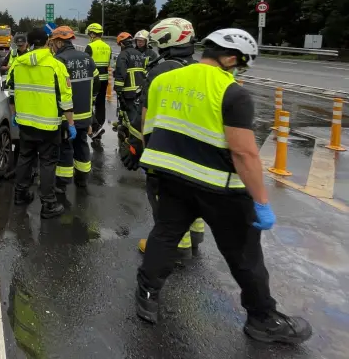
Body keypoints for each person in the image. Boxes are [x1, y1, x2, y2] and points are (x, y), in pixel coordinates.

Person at [135, 27, 313, 344]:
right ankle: (262, 318)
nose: (240, 69)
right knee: (245, 255)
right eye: (241, 63)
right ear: (230, 58)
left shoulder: (162, 80)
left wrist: (158, 166)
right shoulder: (232, 93)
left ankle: (147, 295)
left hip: (170, 177)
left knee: (164, 235)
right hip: (220, 188)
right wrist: (260, 200)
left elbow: (148, 126)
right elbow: (243, 152)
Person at [131, 18, 204, 257]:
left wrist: (144, 149)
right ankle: (195, 237)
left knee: (165, 199)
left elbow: (146, 116)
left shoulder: (160, 70)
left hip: (166, 146)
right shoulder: (198, 68)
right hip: (194, 145)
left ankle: (173, 249)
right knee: (192, 195)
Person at [8, 28, 75, 219]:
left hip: (25, 123)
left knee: (25, 158)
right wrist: (70, 124)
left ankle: (20, 195)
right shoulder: (56, 66)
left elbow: (11, 95)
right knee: (47, 163)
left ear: (28, 43)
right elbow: (66, 100)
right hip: (49, 126)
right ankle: (48, 204)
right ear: (47, 42)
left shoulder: (17, 65)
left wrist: (15, 115)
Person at [47, 26, 100, 190]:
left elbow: (54, 89)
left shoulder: (59, 60)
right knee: (82, 144)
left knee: (65, 147)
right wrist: (89, 101)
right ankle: (82, 179)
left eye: (53, 42)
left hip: (66, 115)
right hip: (85, 114)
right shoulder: (87, 58)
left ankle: (62, 183)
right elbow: (96, 83)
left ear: (58, 41)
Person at [83, 23, 111, 147]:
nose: (89, 36)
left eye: (90, 34)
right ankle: (99, 125)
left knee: (89, 103)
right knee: (100, 104)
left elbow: (85, 63)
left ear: (93, 34)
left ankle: (95, 128)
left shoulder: (90, 46)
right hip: (105, 80)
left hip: (93, 80)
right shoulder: (108, 47)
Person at [113, 32, 146, 129]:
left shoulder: (123, 54)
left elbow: (120, 73)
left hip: (128, 91)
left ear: (122, 43)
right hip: (140, 90)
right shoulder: (140, 54)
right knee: (138, 114)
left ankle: (132, 138)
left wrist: (118, 90)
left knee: (130, 116)